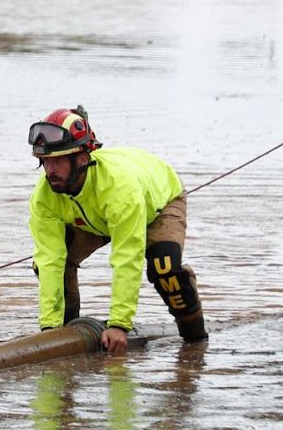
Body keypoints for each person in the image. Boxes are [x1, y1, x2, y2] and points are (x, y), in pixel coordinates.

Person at [27, 107, 207, 355]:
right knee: (49, 265)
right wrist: (48, 329)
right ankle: (64, 336)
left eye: (58, 160)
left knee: (164, 268)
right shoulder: (44, 196)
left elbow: (127, 258)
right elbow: (50, 260)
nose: (50, 171)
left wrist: (119, 325)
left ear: (81, 158)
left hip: (158, 203)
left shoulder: (120, 189)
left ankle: (196, 344)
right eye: (45, 161)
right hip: (95, 217)